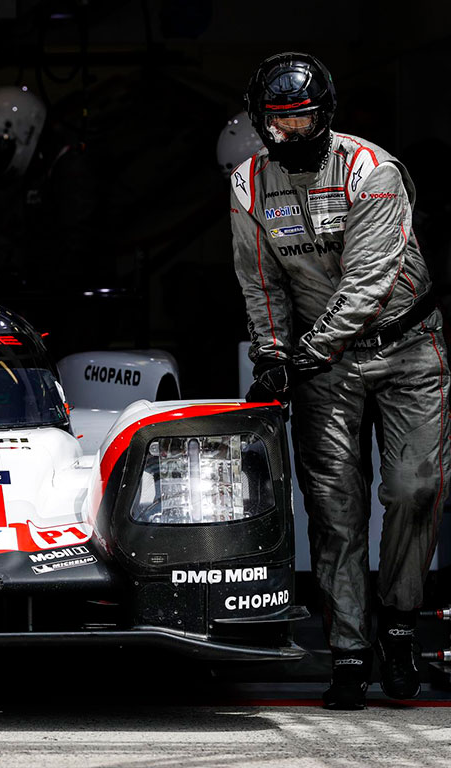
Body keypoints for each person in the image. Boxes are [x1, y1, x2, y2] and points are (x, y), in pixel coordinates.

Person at [231, 52, 450, 710]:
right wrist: (270, 350)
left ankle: (401, 625)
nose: (288, 133)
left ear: (325, 117)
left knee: (416, 489)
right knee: (334, 511)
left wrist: (302, 353)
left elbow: (368, 283)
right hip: (322, 363)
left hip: (408, 344)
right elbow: (259, 277)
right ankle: (351, 653)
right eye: (277, 121)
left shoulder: (371, 169)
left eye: (301, 120)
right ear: (260, 120)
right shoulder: (247, 182)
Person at [0, 85, 108, 288]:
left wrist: (14, 259)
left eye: (1, 152)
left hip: (73, 302)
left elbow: (77, 255)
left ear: (24, 132)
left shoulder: (70, 168)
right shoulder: (35, 172)